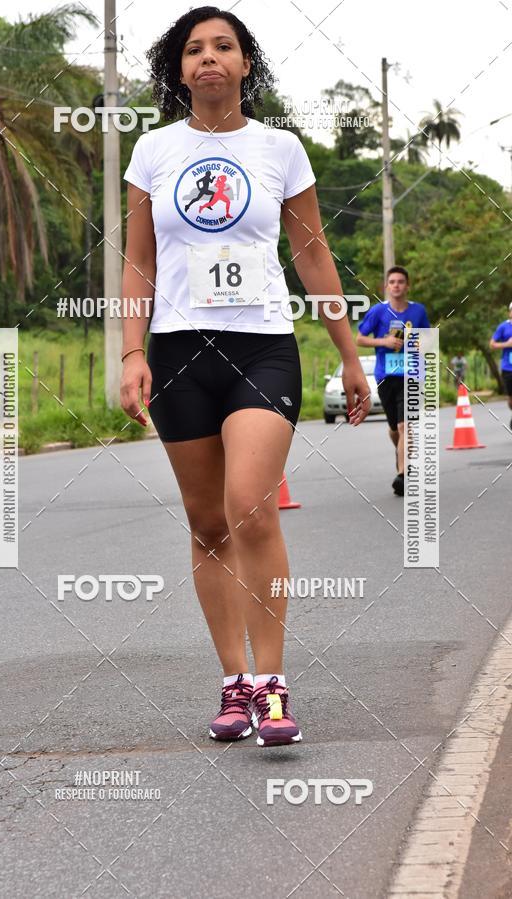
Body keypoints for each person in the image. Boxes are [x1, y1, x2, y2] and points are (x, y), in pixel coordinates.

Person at [119, 6, 370, 747]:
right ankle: (233, 682)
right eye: (194, 49)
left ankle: (273, 685)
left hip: (262, 347)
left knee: (250, 509)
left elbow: (312, 254)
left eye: (223, 46)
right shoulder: (153, 151)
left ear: (244, 64)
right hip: (178, 352)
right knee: (206, 524)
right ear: (179, 70)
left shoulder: (280, 149)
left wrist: (349, 353)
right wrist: (132, 352)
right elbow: (139, 260)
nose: (208, 57)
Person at [356, 267, 430, 496]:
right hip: (386, 376)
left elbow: (428, 340)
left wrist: (414, 342)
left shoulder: (418, 311)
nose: (396, 285)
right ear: (387, 286)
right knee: (393, 428)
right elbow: (359, 339)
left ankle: (403, 474)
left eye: (401, 281)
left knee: (404, 425)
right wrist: (384, 342)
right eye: (392, 282)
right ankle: (401, 453)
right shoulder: (378, 311)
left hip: (412, 375)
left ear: (408, 286)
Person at [489, 301, 512, 429]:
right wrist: (507, 344)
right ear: (509, 312)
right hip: (508, 367)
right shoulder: (503, 327)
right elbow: (492, 344)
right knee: (511, 399)